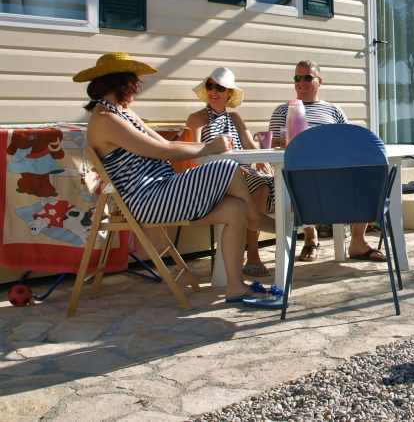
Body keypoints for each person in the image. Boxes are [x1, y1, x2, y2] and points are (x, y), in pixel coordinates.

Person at [76, 53, 278, 303]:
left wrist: (210, 148)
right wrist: (209, 148)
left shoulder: (123, 112)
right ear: (123, 83)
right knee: (228, 167)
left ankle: (235, 285)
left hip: (164, 190)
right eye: (134, 83)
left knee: (235, 208)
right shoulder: (105, 119)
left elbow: (163, 144)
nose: (136, 89)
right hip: (146, 199)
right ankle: (256, 219)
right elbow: (160, 151)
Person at [269, 59, 387, 262]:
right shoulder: (283, 110)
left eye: (307, 77)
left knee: (369, 179)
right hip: (300, 176)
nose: (301, 82)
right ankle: (310, 237)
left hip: (334, 175)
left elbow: (349, 142)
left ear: (319, 81)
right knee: (299, 181)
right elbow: (274, 146)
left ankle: (358, 241)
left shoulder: (334, 110)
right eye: (297, 78)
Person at [186, 67, 275, 278]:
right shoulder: (197, 118)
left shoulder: (234, 118)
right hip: (212, 176)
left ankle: (257, 251)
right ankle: (253, 251)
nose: (214, 91)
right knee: (259, 186)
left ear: (230, 93)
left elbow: (249, 147)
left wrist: (264, 156)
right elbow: (192, 154)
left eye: (220, 87)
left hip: (242, 175)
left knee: (270, 183)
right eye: (210, 86)